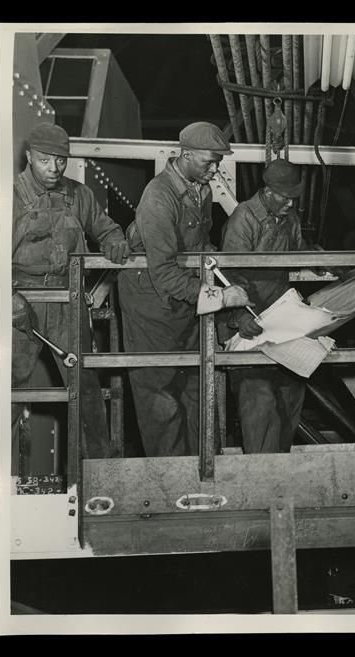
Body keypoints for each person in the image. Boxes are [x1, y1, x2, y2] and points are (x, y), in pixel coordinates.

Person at [118, 122, 250, 457]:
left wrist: (223, 266)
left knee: (197, 391)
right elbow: (163, 273)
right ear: (185, 154)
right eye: (209, 161)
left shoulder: (200, 189)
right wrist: (220, 297)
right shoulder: (158, 198)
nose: (214, 169)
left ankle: (204, 479)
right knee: (160, 401)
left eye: (218, 162)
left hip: (186, 304)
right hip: (152, 309)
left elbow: (200, 245)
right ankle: (171, 487)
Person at [12, 122, 131, 461]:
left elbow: (106, 229)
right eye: (45, 160)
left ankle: (100, 467)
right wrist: (8, 299)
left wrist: (114, 241)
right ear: (29, 155)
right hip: (19, 303)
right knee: (9, 387)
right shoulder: (11, 197)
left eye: (61, 161)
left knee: (85, 385)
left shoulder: (79, 195)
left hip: (66, 301)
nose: (54, 169)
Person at [219, 159, 313, 454]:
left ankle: (279, 470)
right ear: (268, 191)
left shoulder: (289, 219)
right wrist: (238, 314)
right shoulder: (243, 218)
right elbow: (230, 272)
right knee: (259, 401)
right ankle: (259, 475)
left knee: (290, 395)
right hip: (248, 328)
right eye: (285, 197)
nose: (290, 203)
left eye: (293, 197)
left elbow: (298, 254)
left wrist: (321, 259)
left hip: (279, 325)